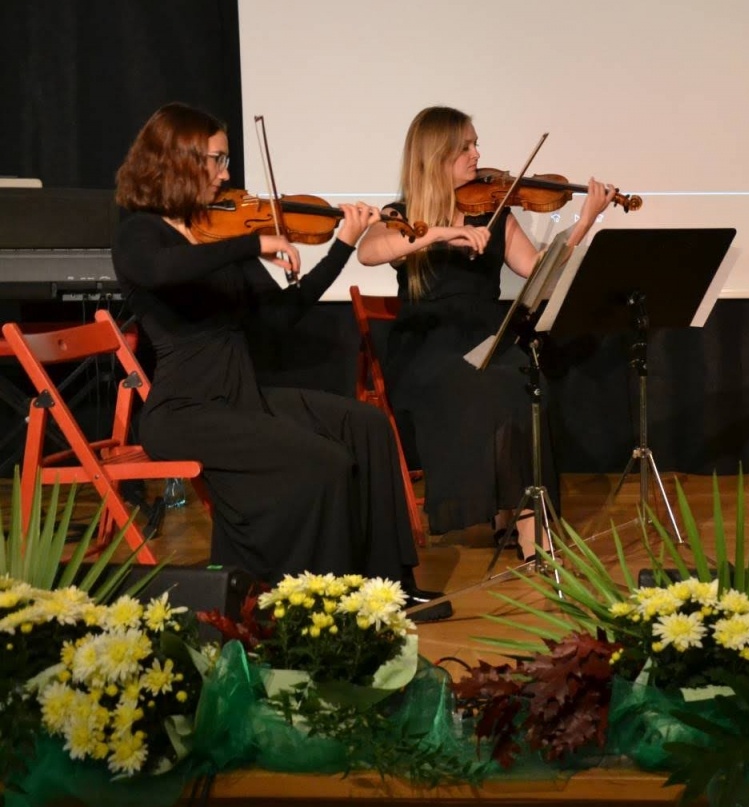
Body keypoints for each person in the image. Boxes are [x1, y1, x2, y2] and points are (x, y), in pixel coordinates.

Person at [111, 103, 439, 609]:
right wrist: (250, 244)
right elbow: (162, 270)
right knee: (326, 462)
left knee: (367, 426)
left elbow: (284, 314)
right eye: (218, 160)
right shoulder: (140, 233)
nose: (226, 174)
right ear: (179, 159)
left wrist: (342, 246)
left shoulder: (216, 233)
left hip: (241, 397)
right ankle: (321, 604)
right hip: (185, 411)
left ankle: (389, 588)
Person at [356, 107, 614, 558]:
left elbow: (538, 271)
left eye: (476, 144)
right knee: (480, 386)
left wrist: (585, 222)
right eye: (466, 147)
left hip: (487, 338)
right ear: (436, 155)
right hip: (427, 348)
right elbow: (370, 251)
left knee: (525, 383)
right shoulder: (403, 216)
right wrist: (438, 233)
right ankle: (512, 523)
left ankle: (524, 526)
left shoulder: (493, 209)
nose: (477, 154)